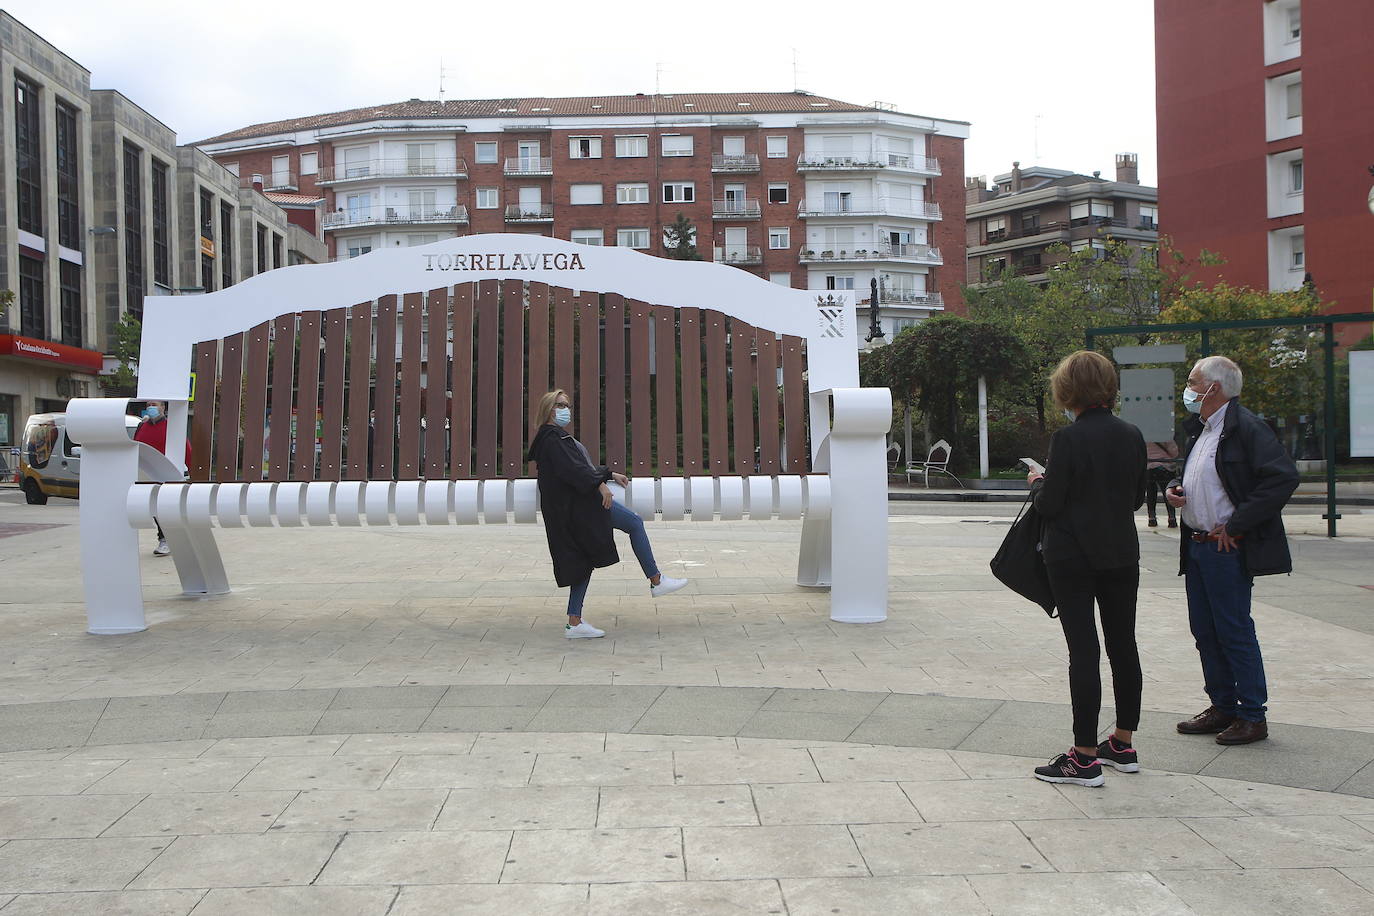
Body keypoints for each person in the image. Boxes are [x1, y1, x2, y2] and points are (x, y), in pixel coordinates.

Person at [1026, 351, 1147, 787]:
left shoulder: (1068, 440)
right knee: (1123, 645)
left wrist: (1038, 483)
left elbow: (1050, 504)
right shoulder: (1132, 434)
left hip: (1072, 557)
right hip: (1120, 554)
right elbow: (1135, 498)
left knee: (1085, 651)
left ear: (1067, 389)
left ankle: (1083, 756)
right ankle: (1123, 742)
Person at [1167, 356, 1299, 746]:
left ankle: (1252, 715)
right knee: (1205, 631)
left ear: (1215, 388)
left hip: (1224, 548)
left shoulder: (1247, 428)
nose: (1187, 390)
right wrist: (1177, 488)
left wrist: (1238, 523)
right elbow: (1200, 475)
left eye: (1193, 383)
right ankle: (1222, 706)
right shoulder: (1202, 429)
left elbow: (1282, 478)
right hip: (1197, 545)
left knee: (1233, 630)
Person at [526, 388, 688, 638]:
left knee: (584, 561)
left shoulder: (553, 438)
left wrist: (608, 475)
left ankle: (574, 622)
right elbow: (576, 472)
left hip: (573, 506)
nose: (565, 410)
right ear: (548, 409)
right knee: (633, 523)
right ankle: (656, 580)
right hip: (580, 506)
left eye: (567, 405)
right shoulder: (553, 440)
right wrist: (601, 484)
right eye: (559, 405)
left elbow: (579, 467)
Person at [133, 401, 191, 557]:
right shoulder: (142, 427)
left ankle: (167, 539)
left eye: (155, 404)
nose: (151, 407)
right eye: (149, 404)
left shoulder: (171, 427)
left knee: (169, 508)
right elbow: (135, 448)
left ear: (163, 407)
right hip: (147, 476)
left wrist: (192, 471)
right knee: (155, 509)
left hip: (168, 474)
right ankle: (165, 538)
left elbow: (186, 449)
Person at [1145, 439, 1180, 528]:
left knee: (1151, 493)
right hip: (1165, 467)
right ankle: (1171, 518)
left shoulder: (1145, 436)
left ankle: (1152, 518)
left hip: (1149, 467)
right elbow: (1174, 452)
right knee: (1168, 492)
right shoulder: (1165, 436)